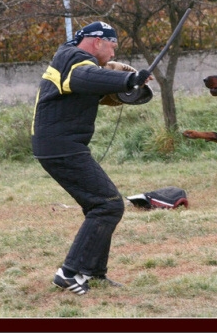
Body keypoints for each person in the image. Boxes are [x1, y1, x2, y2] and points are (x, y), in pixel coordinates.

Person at [31, 21, 152, 295]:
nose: (112, 55)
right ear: (97, 41)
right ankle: (69, 273)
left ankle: (94, 273)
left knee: (98, 205)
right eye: (112, 47)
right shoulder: (75, 60)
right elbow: (83, 78)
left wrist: (120, 87)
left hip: (58, 146)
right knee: (108, 205)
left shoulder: (70, 58)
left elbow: (87, 83)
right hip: (62, 147)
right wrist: (128, 79)